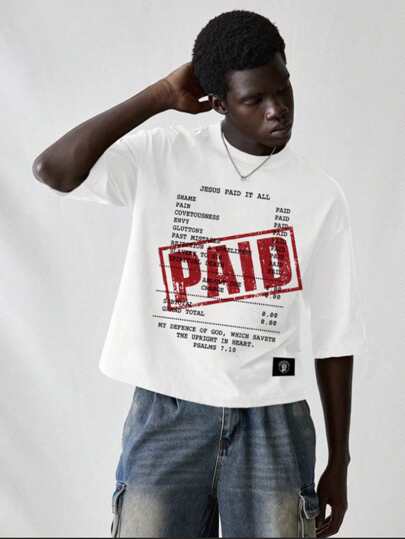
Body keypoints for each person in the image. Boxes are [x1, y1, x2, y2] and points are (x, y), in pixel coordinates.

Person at [32, 9, 367, 539]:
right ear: (219, 103)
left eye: (283, 90)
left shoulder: (320, 195)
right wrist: (160, 94)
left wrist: (341, 461)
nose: (277, 111)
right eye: (254, 100)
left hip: (272, 421)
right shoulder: (163, 156)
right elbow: (54, 170)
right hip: (167, 414)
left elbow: (335, 334)